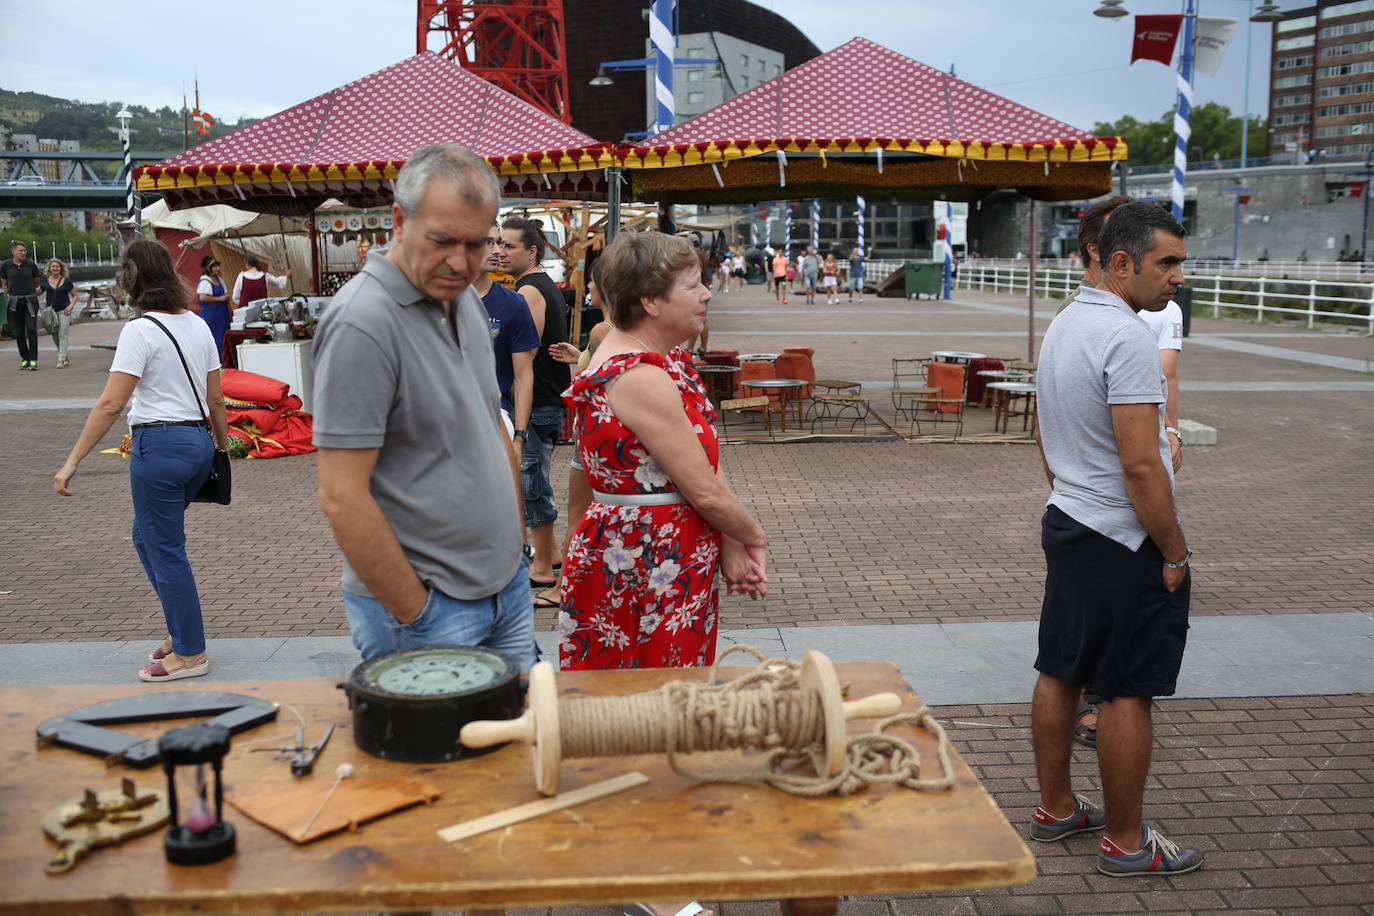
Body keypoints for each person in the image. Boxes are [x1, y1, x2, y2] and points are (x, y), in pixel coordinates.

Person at [312, 143, 533, 666]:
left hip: (505, 587)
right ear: (399, 220)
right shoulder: (363, 323)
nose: (460, 262)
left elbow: (492, 424)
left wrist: (517, 550)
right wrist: (417, 612)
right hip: (432, 607)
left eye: (476, 244)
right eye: (442, 241)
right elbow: (341, 495)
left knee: (523, 720)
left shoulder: (463, 298)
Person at [1031, 200, 1201, 877]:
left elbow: (1045, 434)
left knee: (1060, 669)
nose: (1179, 277)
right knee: (1127, 689)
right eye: (1168, 262)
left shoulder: (1066, 323)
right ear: (1122, 262)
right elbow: (1140, 464)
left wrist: (1071, 485)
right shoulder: (1127, 337)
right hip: (1122, 536)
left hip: (1070, 519)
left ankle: (1056, 807)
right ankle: (1127, 842)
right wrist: (1174, 549)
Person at [559, 228, 768, 673]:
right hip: (647, 555)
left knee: (667, 686)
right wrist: (753, 537)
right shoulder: (639, 374)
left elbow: (702, 465)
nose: (706, 293)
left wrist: (729, 537)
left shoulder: (663, 358)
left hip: (663, 550)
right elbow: (704, 491)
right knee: (651, 692)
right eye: (692, 286)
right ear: (651, 302)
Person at [53, 239, 229, 682]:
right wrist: (222, 450)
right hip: (198, 442)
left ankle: (190, 651)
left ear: (131, 277)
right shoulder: (197, 324)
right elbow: (216, 399)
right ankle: (180, 628)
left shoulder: (139, 330)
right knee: (146, 538)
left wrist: (73, 460)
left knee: (164, 548)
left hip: (161, 447)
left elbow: (111, 404)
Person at [501, 216, 571, 590]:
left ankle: (542, 564)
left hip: (538, 400)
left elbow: (524, 354)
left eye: (508, 245)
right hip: (546, 398)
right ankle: (551, 552)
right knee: (532, 478)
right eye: (498, 243)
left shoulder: (529, 290)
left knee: (531, 482)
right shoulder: (538, 284)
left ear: (531, 251)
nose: (500, 251)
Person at [542, 259, 614, 612]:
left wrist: (583, 365)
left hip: (592, 435)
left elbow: (597, 381)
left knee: (578, 516)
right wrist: (580, 356)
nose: (586, 287)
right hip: (612, 437)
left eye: (592, 282)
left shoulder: (603, 329)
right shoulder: (624, 328)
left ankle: (562, 588)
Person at [475, 218, 540, 439]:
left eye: (500, 242)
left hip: (494, 419)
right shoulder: (440, 300)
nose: (497, 251)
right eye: (488, 242)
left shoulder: (513, 303)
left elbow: (523, 375)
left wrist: (520, 436)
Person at [3, 241, 42, 369]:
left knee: (31, 329)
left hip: (30, 301)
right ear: (13, 251)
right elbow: (4, 284)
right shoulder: (5, 266)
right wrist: (7, 296)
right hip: (14, 302)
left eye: (25, 250)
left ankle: (33, 359)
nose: (24, 253)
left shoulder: (31, 265)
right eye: (21, 250)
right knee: (19, 332)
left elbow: (36, 283)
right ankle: (25, 358)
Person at [40, 258, 78, 368]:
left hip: (64, 311)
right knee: (55, 334)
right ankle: (64, 356)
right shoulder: (45, 281)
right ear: (49, 268)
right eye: (53, 267)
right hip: (51, 312)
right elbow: (39, 292)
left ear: (61, 269)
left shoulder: (66, 281)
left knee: (63, 334)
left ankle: (61, 359)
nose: (55, 268)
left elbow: (75, 296)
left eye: (57, 267)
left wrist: (70, 306)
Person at [195, 257, 231, 359]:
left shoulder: (219, 279)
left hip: (222, 315)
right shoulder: (205, 281)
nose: (217, 268)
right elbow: (203, 297)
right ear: (208, 268)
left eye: (218, 265)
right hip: (211, 316)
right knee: (214, 339)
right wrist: (220, 298)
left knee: (222, 338)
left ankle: (223, 360)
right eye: (214, 266)